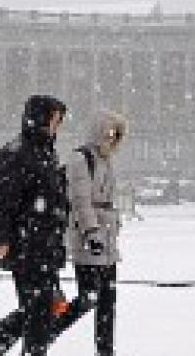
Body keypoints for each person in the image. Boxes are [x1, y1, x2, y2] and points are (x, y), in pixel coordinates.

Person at [0, 95, 88, 356]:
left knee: (39, 309)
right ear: (41, 118)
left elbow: (53, 198)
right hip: (27, 245)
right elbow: (1, 199)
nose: (58, 125)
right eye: (55, 119)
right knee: (40, 311)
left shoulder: (46, 153)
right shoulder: (17, 152)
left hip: (45, 244)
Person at [69, 109, 129, 356]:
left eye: (116, 134)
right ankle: (44, 329)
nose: (112, 138)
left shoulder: (106, 160)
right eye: (108, 132)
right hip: (89, 239)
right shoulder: (82, 158)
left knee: (107, 301)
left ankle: (105, 351)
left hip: (108, 240)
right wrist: (92, 231)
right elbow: (80, 200)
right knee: (87, 299)